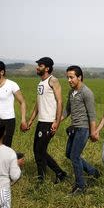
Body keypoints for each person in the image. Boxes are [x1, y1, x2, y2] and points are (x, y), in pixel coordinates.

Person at [27, 57, 67, 185]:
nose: (37, 67)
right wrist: (31, 120)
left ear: (47, 68)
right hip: (41, 121)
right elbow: (38, 104)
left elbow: (60, 102)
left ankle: (41, 179)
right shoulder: (40, 84)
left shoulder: (53, 81)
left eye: (40, 65)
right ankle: (60, 173)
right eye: (38, 65)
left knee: (40, 150)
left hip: (49, 122)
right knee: (37, 150)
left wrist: (56, 121)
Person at [63, 65, 100, 195]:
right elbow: (67, 110)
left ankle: (80, 186)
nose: (69, 80)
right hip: (74, 128)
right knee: (69, 154)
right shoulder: (71, 92)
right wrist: (57, 121)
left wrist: (93, 132)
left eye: (71, 77)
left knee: (74, 156)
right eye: (67, 77)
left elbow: (92, 114)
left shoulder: (86, 92)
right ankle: (92, 172)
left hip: (83, 129)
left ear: (79, 77)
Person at [0, 61, 27, 147]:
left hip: (8, 121)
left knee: (5, 147)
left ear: (2, 72)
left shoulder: (12, 85)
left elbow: (22, 102)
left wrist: (23, 120)